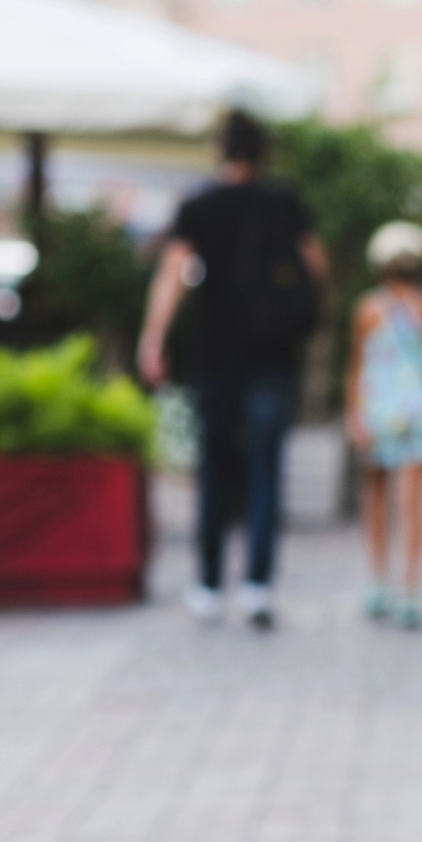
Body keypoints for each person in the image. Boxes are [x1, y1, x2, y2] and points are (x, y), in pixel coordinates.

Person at [138, 110, 328, 630]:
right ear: (264, 152)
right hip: (273, 355)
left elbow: (171, 278)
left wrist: (153, 338)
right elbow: (316, 268)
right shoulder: (284, 203)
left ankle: (207, 583)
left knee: (214, 467)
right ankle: (259, 586)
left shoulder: (199, 207)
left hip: (215, 354)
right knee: (267, 469)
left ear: (221, 151)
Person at [346, 222, 422, 630]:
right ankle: (409, 590)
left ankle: (380, 582)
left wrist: (354, 413)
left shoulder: (367, 309)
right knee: (412, 507)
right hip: (417, 412)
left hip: (378, 410)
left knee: (376, 503)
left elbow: (357, 368)